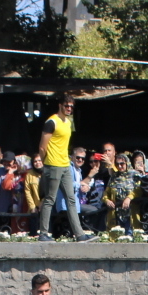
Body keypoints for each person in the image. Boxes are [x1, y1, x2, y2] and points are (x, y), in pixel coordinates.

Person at [34, 94, 93, 242]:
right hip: (53, 165)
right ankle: (43, 233)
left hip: (66, 164)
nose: (69, 109)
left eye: (71, 106)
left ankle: (79, 234)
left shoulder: (68, 122)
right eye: (67, 106)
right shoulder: (51, 122)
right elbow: (42, 146)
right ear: (60, 105)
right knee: (50, 199)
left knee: (71, 199)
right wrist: (45, 164)